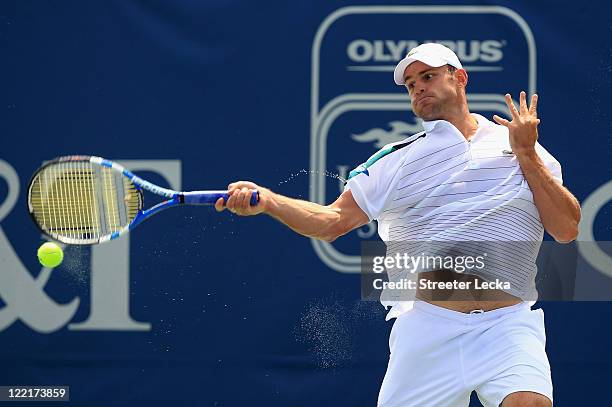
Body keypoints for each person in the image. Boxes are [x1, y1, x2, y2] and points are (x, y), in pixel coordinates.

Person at [215, 43, 581, 407]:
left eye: (428, 76)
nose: (418, 87)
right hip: (428, 329)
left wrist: (527, 153)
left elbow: (566, 229)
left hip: (506, 326)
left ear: (460, 78)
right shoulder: (397, 159)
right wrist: (269, 200)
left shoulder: (523, 147)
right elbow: (332, 222)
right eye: (410, 83)